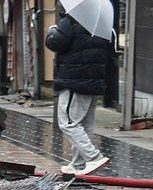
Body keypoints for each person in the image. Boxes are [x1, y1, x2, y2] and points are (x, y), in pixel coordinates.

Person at [45, 13, 111, 175]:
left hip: (74, 80)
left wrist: (52, 31)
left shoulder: (70, 20)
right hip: (94, 79)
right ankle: (78, 164)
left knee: (67, 122)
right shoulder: (100, 22)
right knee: (84, 123)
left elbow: (55, 43)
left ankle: (93, 157)